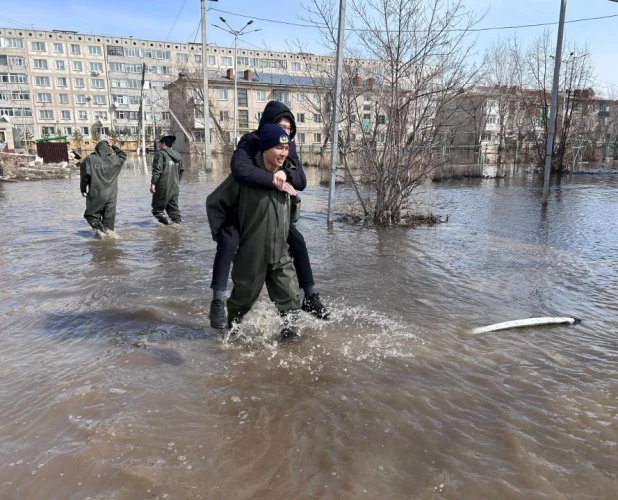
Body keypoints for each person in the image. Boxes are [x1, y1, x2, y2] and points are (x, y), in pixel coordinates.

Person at [208, 101, 329, 329]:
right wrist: (223, 233)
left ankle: (303, 311)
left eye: (288, 131)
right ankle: (220, 312)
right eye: (280, 129)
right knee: (241, 300)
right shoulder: (248, 149)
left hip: (278, 249)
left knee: (291, 301)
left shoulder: (287, 158)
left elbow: (297, 190)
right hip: (250, 242)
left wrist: (284, 175)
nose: (285, 146)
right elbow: (222, 193)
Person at [206, 124, 301, 338]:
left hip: (280, 255)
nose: (284, 154)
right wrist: (226, 237)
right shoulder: (245, 178)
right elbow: (214, 203)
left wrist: (288, 225)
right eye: (279, 148)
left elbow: (295, 207)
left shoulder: (286, 176)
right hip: (252, 255)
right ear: (265, 149)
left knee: (292, 301)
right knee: (241, 303)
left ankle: (290, 340)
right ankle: (227, 338)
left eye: (286, 149)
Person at [80, 140, 126, 233]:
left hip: (96, 193)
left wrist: (83, 189)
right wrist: (113, 146)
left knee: (91, 215)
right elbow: (123, 155)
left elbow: (85, 176)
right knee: (109, 222)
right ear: (108, 149)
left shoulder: (89, 159)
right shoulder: (115, 160)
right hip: (112, 196)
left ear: (97, 149)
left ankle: (101, 234)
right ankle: (108, 240)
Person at [150, 135, 184, 225]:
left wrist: (153, 183)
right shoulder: (178, 155)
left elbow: (157, 170)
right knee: (174, 211)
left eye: (160, 143)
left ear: (164, 144)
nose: (159, 145)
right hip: (175, 187)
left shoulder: (160, 154)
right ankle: (178, 230)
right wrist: (176, 181)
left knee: (157, 210)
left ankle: (165, 228)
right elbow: (181, 171)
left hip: (163, 187)